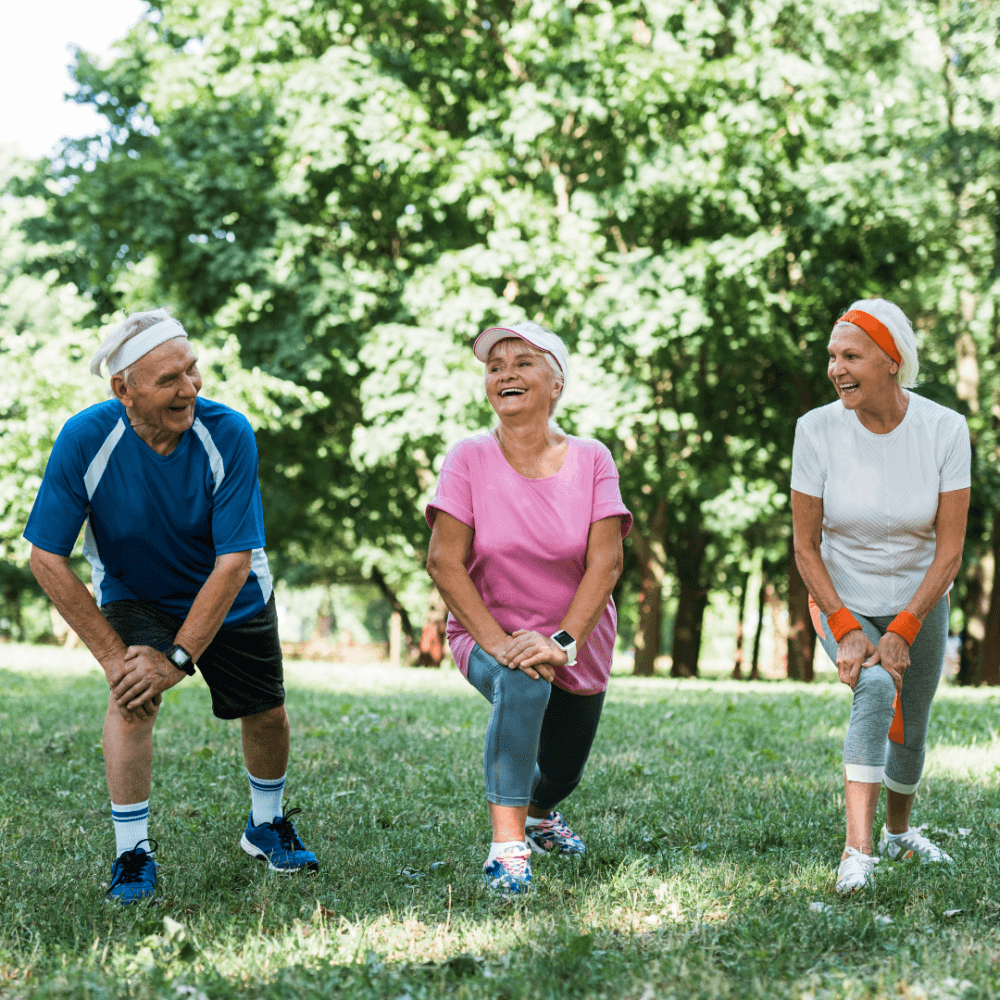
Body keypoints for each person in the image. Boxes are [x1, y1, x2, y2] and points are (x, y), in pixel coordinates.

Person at [25, 309, 318, 904]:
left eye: (192, 370)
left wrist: (179, 657)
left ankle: (265, 824)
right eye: (168, 380)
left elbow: (234, 561)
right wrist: (116, 659)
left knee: (265, 711)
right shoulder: (86, 439)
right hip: (138, 593)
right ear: (123, 390)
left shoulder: (229, 432)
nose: (189, 388)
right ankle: (131, 853)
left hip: (232, 592)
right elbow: (45, 558)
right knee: (132, 696)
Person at [425, 321, 631, 896]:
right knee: (523, 684)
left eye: (522, 362)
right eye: (495, 367)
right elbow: (444, 562)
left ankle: (539, 814)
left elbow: (606, 564)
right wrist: (501, 644)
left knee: (564, 772)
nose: (505, 374)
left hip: (577, 640)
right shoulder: (467, 457)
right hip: (488, 631)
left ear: (556, 382)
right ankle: (507, 849)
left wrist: (561, 642)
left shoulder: (592, 459)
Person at [791, 298, 970, 894]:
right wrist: (846, 628)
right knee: (871, 689)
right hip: (839, 595)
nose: (836, 368)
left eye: (851, 355)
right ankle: (857, 851)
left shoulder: (944, 428)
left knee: (911, 727)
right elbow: (805, 547)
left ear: (891, 360)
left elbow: (949, 552)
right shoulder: (815, 429)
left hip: (920, 598)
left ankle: (898, 834)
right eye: (832, 357)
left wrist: (905, 628)